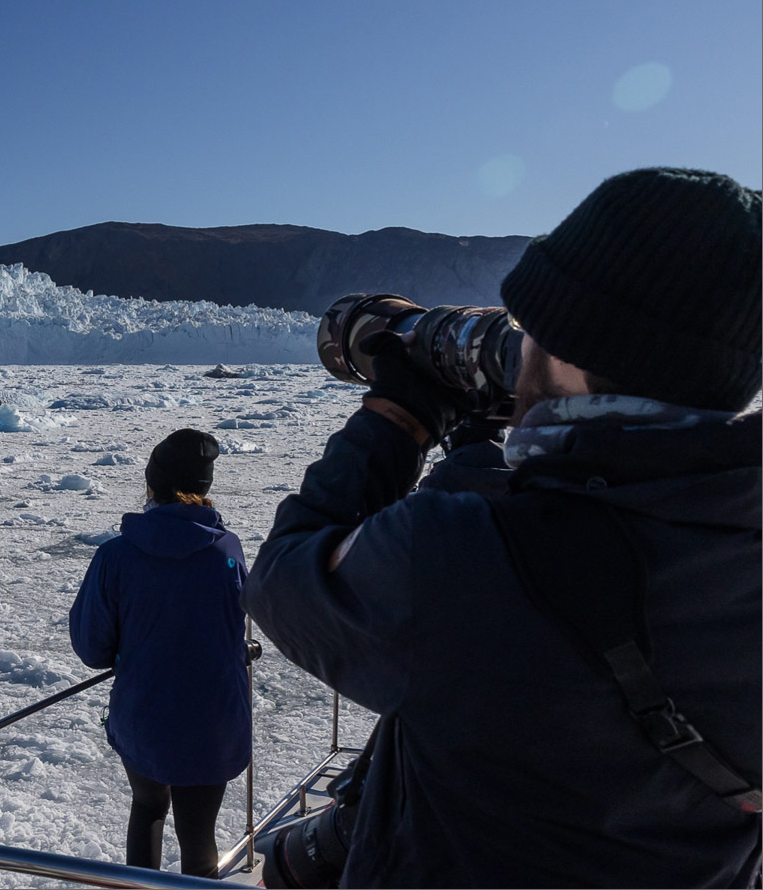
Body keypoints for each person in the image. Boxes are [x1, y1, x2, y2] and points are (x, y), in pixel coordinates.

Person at [242, 167, 762, 888]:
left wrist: (395, 420)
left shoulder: (465, 555)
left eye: (534, 328)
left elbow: (283, 579)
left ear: (578, 350)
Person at [69, 428, 251, 878]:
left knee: (149, 805)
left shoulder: (115, 556)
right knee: (198, 831)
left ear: (153, 484)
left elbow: (92, 647)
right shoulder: (227, 550)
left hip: (146, 715)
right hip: (214, 719)